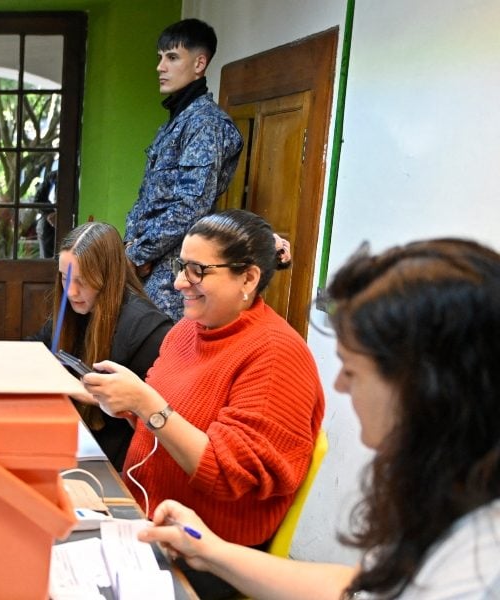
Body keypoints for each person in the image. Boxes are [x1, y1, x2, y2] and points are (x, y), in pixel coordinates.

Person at [138, 238, 500, 599]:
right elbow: (360, 586)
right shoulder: (449, 494)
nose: (340, 386)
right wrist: (210, 552)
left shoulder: (475, 572)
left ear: (427, 389)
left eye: (354, 371)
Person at [81, 209, 324, 599]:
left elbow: (229, 474)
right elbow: (171, 425)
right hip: (147, 519)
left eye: (197, 270)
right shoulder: (185, 332)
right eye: (181, 266)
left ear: (248, 277)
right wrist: (125, 405)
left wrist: (148, 404)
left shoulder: (277, 356)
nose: (179, 282)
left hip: (210, 552)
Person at [124, 18, 243, 321]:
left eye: (172, 57)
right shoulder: (179, 120)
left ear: (200, 62)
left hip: (174, 272)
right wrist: (130, 248)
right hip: (148, 264)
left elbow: (191, 205)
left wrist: (138, 254)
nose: (160, 67)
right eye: (160, 57)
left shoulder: (205, 123)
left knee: (158, 353)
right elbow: (151, 199)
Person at [31, 222, 172, 468]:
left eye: (82, 281)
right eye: (65, 278)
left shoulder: (147, 329)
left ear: (107, 277)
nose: (71, 292)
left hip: (116, 458)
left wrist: (81, 389)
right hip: (72, 437)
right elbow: (36, 347)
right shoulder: (72, 309)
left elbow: (150, 415)